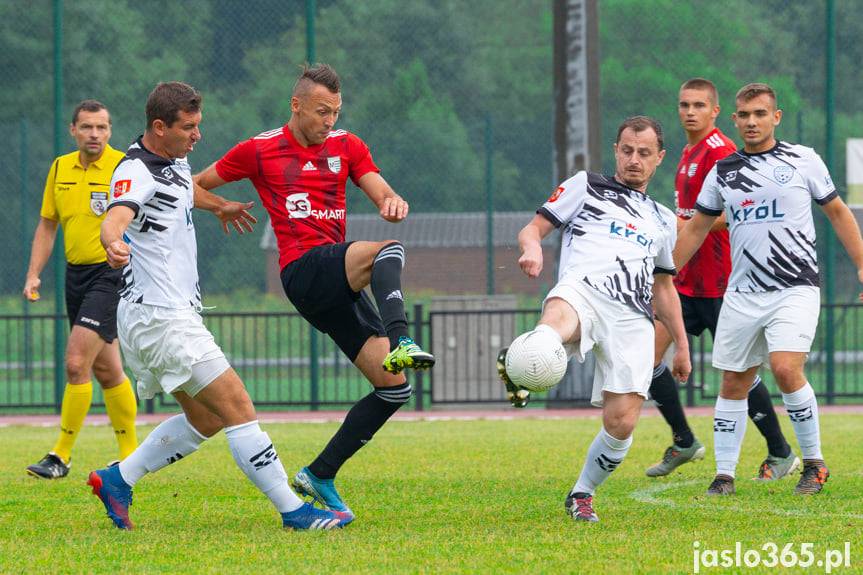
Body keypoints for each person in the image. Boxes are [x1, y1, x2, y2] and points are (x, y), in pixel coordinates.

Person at [87, 81, 349, 531]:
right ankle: (294, 511)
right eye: (188, 128)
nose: (197, 136)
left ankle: (117, 479)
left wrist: (218, 205)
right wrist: (113, 244)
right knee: (238, 406)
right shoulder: (135, 170)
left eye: (198, 125)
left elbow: (183, 192)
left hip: (162, 314)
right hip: (160, 316)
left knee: (206, 417)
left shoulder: (171, 160)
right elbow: (116, 217)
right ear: (159, 127)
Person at [193, 63, 434, 520]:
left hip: (335, 280)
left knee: (393, 389)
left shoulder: (347, 145)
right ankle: (402, 339)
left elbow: (380, 189)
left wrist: (391, 201)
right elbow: (192, 187)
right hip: (302, 270)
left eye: (336, 112)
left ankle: (320, 474)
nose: (329, 120)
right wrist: (220, 205)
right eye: (322, 111)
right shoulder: (258, 149)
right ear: (296, 105)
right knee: (387, 251)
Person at [498, 116, 691, 522]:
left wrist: (682, 346)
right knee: (553, 326)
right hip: (582, 291)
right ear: (616, 150)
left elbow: (664, 287)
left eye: (643, 153)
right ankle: (524, 361)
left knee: (622, 424)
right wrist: (532, 249)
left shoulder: (662, 219)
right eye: (627, 150)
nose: (634, 160)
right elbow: (532, 229)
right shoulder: (586, 185)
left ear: (659, 157)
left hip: (632, 317)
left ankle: (582, 493)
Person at [675, 82, 863, 496]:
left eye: (760, 113)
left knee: (784, 368)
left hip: (795, 287)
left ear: (775, 117)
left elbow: (837, 212)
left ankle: (814, 464)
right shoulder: (723, 171)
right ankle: (724, 475)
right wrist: (665, 273)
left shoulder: (803, 160)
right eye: (744, 115)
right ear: (734, 119)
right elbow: (697, 228)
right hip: (742, 292)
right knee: (733, 380)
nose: (752, 121)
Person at [645, 78, 798, 480]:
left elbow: (739, 211)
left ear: (715, 112)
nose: (689, 112)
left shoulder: (722, 151)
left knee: (739, 373)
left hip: (720, 282)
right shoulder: (687, 152)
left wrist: (687, 224)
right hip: (686, 282)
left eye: (699, 105)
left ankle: (781, 452)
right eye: (684, 105)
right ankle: (684, 441)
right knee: (645, 358)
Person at [23, 100, 138, 479]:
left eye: (102, 127)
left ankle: (60, 455)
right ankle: (131, 455)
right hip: (75, 276)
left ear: (110, 131)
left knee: (76, 363)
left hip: (111, 273)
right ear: (73, 130)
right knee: (107, 370)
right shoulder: (60, 167)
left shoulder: (124, 167)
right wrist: (34, 274)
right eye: (87, 127)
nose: (94, 134)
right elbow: (47, 224)